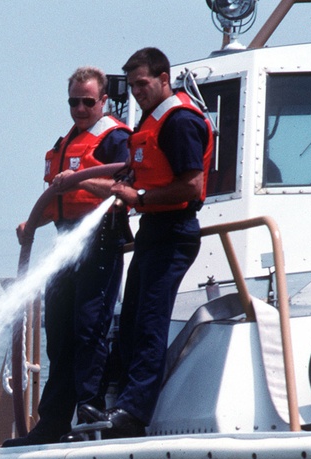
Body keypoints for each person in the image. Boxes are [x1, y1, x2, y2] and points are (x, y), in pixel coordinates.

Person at [83, 47, 213, 439]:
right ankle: (117, 402)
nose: (139, 92)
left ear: (163, 79)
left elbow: (192, 186)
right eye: (134, 86)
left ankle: (134, 413)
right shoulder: (152, 121)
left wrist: (139, 199)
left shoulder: (179, 122)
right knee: (133, 323)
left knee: (151, 323)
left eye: (144, 84)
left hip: (173, 231)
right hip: (153, 232)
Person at [3, 66, 131, 447]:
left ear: (103, 101)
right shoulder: (66, 142)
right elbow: (60, 201)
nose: (79, 108)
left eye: (87, 101)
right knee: (58, 330)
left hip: (101, 239)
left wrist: (80, 179)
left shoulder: (115, 138)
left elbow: (126, 184)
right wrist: (32, 225)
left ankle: (90, 408)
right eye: (73, 101)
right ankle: (53, 420)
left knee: (89, 326)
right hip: (65, 242)